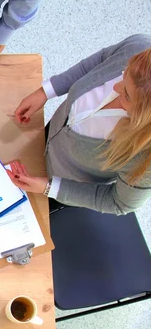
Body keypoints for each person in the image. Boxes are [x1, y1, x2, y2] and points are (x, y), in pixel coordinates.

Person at [10, 34, 151, 215]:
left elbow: (118, 203)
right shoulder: (139, 46)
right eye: (124, 73)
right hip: (47, 140)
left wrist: (49, 188)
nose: (116, 87)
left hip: (61, 186)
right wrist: (46, 91)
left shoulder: (145, 160)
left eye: (127, 95)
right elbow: (99, 61)